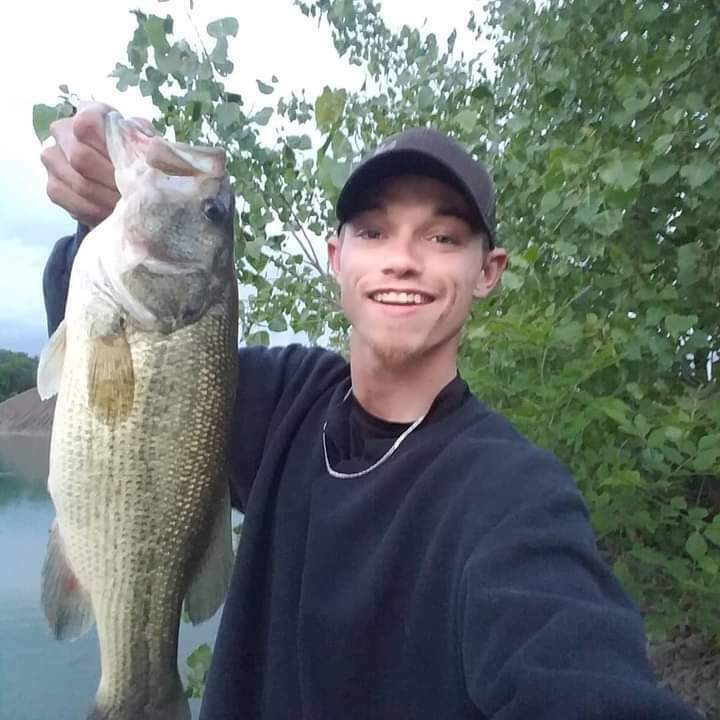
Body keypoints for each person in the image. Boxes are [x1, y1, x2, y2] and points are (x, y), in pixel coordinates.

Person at [40, 103, 702, 720]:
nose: (403, 261)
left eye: (442, 236)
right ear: (338, 258)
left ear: (488, 271)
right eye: (374, 231)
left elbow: (574, 666)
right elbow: (120, 396)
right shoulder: (283, 399)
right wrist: (97, 218)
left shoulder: (513, 495)